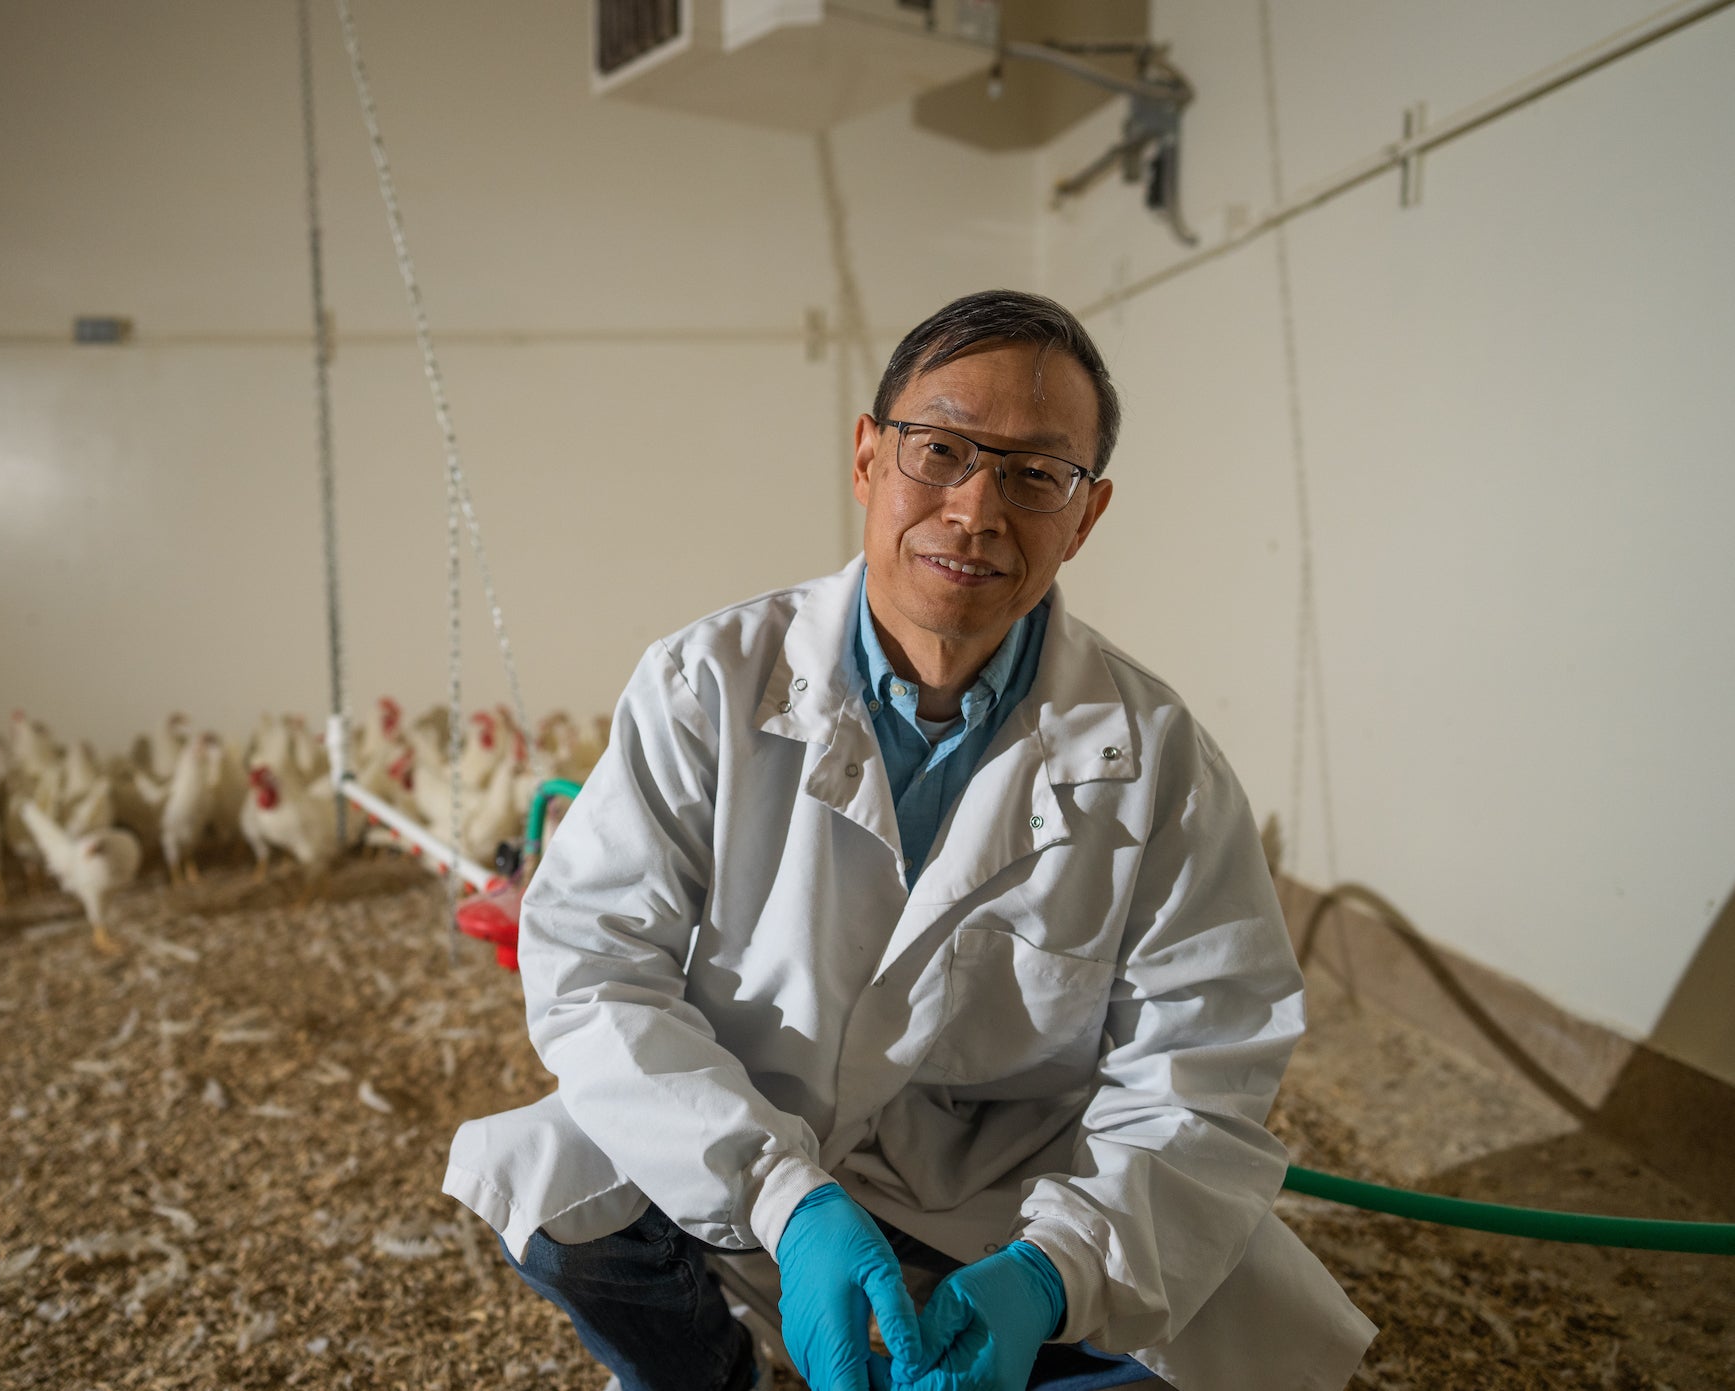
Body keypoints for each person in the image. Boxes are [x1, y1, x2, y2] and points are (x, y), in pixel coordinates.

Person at [444, 290, 1376, 1391]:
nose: (975, 507)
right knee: (555, 1181)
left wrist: (1052, 1267)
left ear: (1086, 513)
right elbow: (594, 968)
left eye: (1035, 476)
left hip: (1015, 1196)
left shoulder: (1156, 759)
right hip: (760, 1140)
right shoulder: (707, 685)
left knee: (1236, 1334)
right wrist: (787, 1202)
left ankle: (1002, 1332)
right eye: (939, 450)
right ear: (866, 459)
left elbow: (1197, 1074)